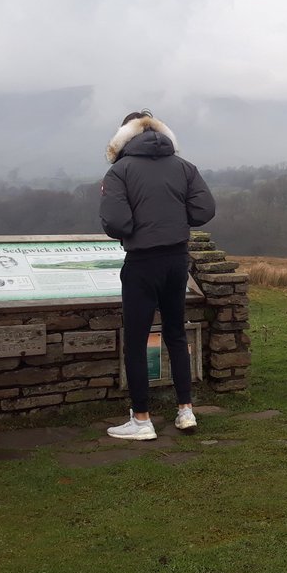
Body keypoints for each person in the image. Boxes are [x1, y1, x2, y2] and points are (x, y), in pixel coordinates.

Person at [99, 109, 216, 440]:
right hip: (177, 261)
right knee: (176, 334)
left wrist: (140, 226)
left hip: (141, 263)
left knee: (136, 342)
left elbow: (116, 223)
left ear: (123, 136)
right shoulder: (184, 167)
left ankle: (142, 419)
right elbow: (204, 209)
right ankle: (185, 410)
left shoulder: (119, 172)